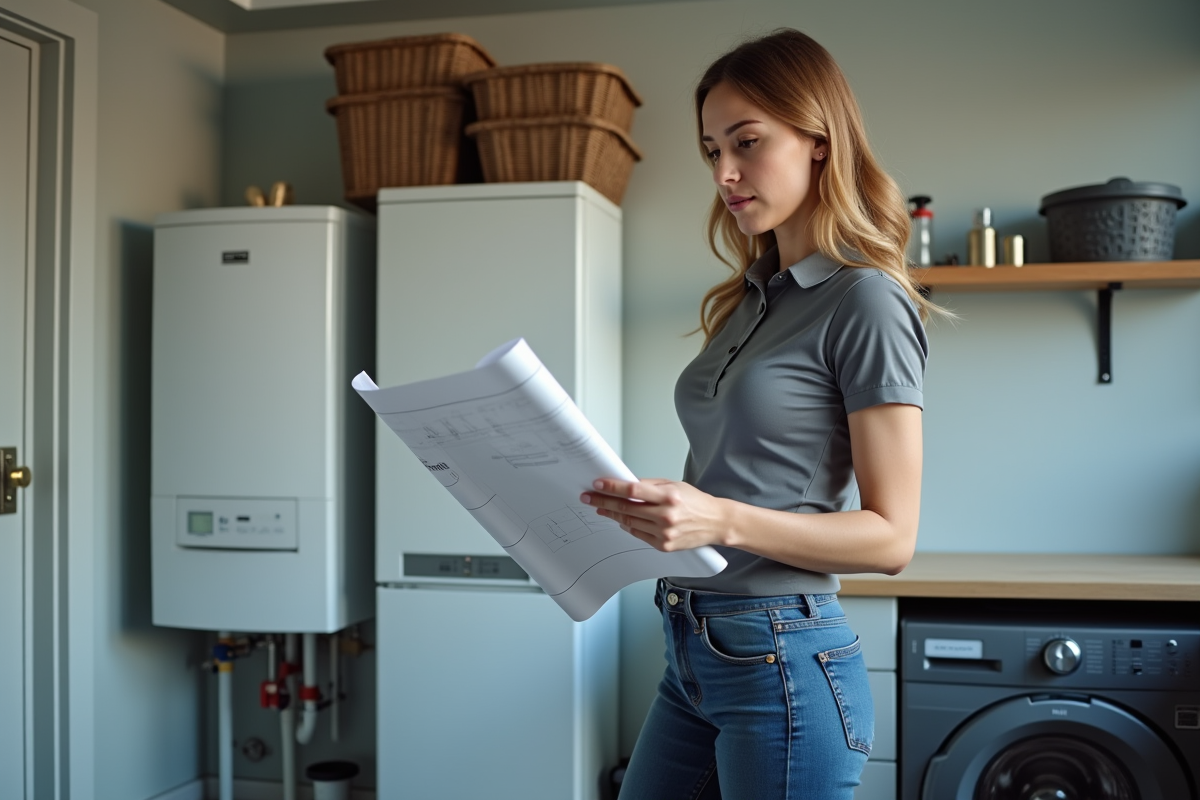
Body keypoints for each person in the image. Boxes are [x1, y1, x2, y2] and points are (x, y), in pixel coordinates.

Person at [580, 28, 938, 800]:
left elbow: (892, 538)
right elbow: (734, 479)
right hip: (692, 646)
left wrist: (718, 519)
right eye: (712, 150)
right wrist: (654, 516)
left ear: (818, 141)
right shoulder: (749, 299)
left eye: (747, 142)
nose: (724, 173)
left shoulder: (866, 300)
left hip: (782, 658)